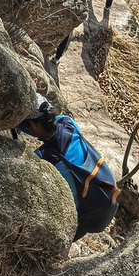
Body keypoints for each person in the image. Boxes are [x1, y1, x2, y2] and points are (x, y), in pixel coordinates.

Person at [19, 95, 119, 241]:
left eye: (27, 126)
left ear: (36, 125)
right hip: (107, 197)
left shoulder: (46, 157)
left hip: (88, 216)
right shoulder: (68, 123)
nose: (27, 130)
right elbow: (47, 125)